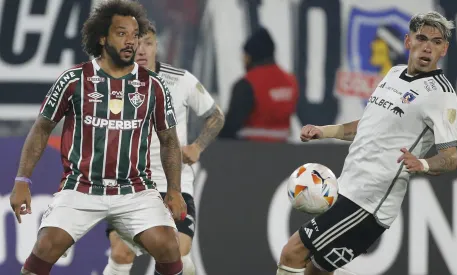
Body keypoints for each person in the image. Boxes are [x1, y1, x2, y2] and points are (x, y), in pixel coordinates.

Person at [8, 1, 187, 274]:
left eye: (135, 34)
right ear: (102, 37)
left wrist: (174, 189)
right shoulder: (74, 79)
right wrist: (22, 180)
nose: (131, 41)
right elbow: (41, 128)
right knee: (45, 245)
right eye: (122, 33)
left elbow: (169, 140)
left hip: (134, 190)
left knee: (168, 246)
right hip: (82, 187)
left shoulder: (153, 86)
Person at [276, 11, 457, 275]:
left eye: (436, 41)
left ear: (444, 49)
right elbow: (367, 126)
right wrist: (324, 131)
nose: (428, 47)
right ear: (408, 42)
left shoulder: (441, 96)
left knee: (292, 252)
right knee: (316, 271)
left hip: (368, 204)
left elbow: (450, 157)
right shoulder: (394, 74)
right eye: (422, 38)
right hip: (347, 188)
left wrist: (420, 163)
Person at [103, 22, 225, 275]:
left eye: (148, 43)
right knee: (121, 253)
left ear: (157, 46)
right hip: (128, 184)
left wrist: (198, 146)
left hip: (174, 185)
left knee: (177, 254)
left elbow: (216, 116)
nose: (142, 50)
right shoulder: (112, 83)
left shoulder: (181, 80)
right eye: (136, 44)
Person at [219, 27, 299, 142]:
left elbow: (230, 126)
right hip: (283, 151)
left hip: (250, 152)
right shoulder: (291, 82)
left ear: (250, 56)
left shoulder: (246, 84)